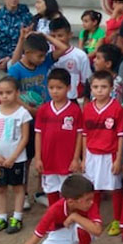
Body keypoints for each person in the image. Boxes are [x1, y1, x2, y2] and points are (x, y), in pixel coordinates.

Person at [2, 175, 101, 244]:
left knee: (81, 227)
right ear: (71, 201)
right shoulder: (54, 210)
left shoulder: (91, 205)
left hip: (81, 231)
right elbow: (35, 237)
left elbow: (97, 230)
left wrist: (75, 217)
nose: (91, 202)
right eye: (87, 199)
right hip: (60, 234)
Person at [0, 76, 32, 234]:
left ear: (17, 93)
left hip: (16, 159)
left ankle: (17, 218)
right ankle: (2, 218)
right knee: (0, 188)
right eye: (1, 92)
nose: (4, 96)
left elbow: (25, 137)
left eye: (9, 92)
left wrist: (13, 157)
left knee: (18, 188)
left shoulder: (23, 113)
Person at [82, 71, 123, 237]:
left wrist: (119, 159)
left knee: (114, 188)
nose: (99, 90)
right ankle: (95, 217)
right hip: (92, 154)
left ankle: (117, 219)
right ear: (91, 89)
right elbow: (84, 135)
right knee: (93, 189)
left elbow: (121, 136)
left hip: (110, 155)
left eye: (103, 87)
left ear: (111, 88)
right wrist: (84, 158)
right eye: (95, 87)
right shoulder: (87, 109)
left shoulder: (117, 109)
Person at [34, 69, 83, 207]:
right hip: (48, 158)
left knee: (68, 191)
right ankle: (54, 218)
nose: (55, 91)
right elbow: (38, 134)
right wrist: (38, 158)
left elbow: (79, 135)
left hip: (66, 159)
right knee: (51, 189)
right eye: (51, 88)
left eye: (59, 88)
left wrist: (75, 159)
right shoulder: (43, 110)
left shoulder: (74, 110)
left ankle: (67, 216)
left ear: (68, 88)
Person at [0, 0, 33, 70]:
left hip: (19, 52)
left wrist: (9, 57)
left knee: (11, 65)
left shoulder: (27, 16)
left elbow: (28, 41)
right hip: (1, 50)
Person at [48, 17, 92, 100]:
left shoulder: (80, 55)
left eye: (60, 35)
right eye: (53, 36)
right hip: (49, 100)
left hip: (71, 99)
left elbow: (86, 82)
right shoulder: (46, 53)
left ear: (70, 35)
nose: (56, 39)